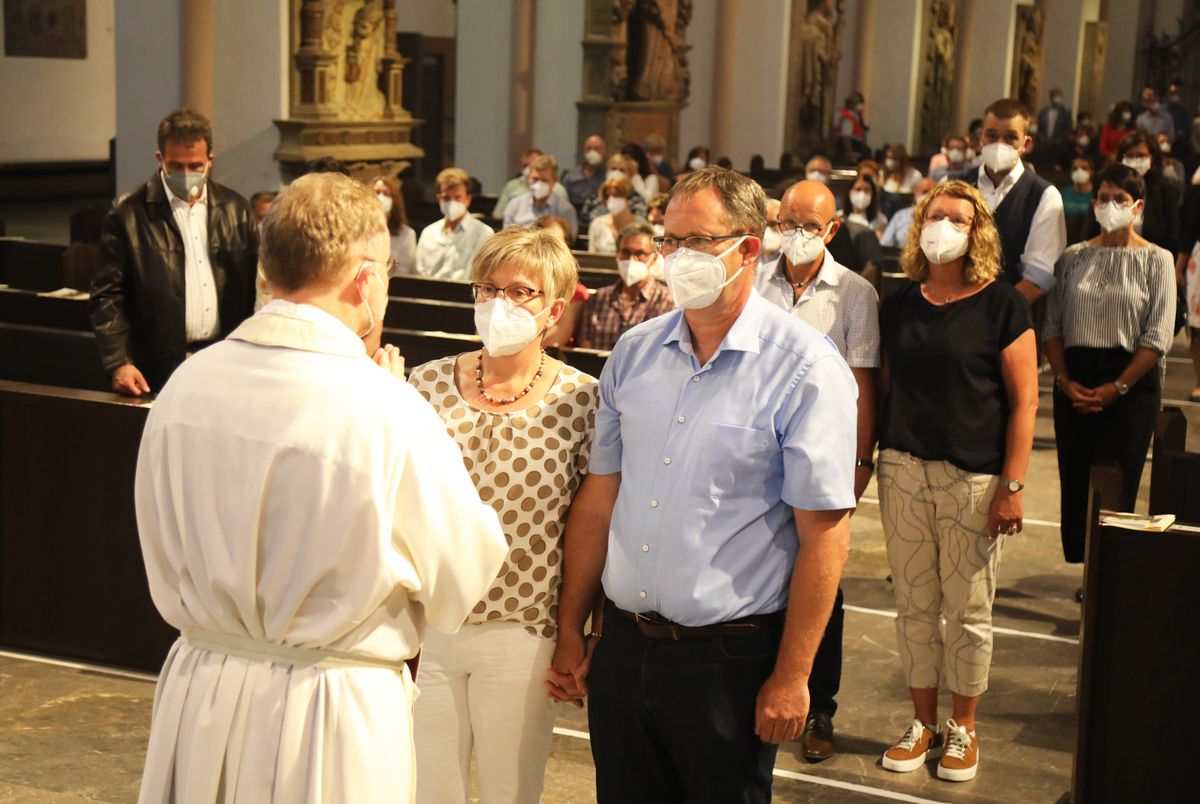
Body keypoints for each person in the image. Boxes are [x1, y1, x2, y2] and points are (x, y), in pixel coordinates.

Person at [133, 171, 508, 803]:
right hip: (328, 707)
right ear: (366, 280)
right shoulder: (384, 407)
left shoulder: (186, 384)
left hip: (202, 686)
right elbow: (463, 574)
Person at [549, 166, 858, 803]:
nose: (675, 258)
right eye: (669, 242)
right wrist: (570, 627)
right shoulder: (634, 353)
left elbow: (824, 537)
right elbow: (600, 498)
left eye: (697, 242)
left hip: (729, 661)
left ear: (749, 249)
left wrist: (794, 675)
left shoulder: (806, 369)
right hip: (625, 646)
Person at [410, 226, 598, 804]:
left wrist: (575, 633)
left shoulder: (582, 399)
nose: (501, 305)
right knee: (425, 788)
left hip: (522, 627)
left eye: (522, 293)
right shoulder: (427, 382)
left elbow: (588, 530)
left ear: (555, 309)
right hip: (430, 625)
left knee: (509, 791)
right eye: (489, 289)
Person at [877, 180, 1038, 783]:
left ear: (979, 233)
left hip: (973, 478)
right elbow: (885, 385)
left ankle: (964, 728)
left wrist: (1013, 485)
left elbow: (1025, 402)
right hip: (903, 469)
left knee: (967, 611)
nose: (944, 227)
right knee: (914, 607)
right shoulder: (897, 304)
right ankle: (923, 723)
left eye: (958, 219)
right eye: (934, 216)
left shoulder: (1003, 305)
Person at [755, 179, 880, 761]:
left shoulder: (854, 293)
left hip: (821, 454)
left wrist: (858, 462)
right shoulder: (754, 281)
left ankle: (819, 708)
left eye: (809, 226)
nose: (796, 235)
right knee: (758, 570)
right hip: (755, 452)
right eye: (788, 223)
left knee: (824, 578)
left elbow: (862, 384)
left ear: (832, 231)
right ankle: (758, 688)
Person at [1045, 163, 1176, 572]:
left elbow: (1157, 336)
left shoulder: (1158, 260)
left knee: (1117, 482)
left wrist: (1116, 387)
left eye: (1119, 200)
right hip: (1075, 379)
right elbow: (1052, 326)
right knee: (1078, 481)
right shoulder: (1072, 258)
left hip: (1130, 383)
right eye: (1103, 198)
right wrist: (1065, 381)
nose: (1109, 206)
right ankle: (1086, 566)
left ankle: (1109, 575)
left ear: (1137, 206)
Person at [90, 108, 258, 396]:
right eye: (176, 165)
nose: (186, 174)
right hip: (156, 365)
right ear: (160, 160)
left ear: (210, 161)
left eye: (195, 166)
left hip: (225, 358)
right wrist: (118, 361)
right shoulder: (127, 213)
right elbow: (107, 295)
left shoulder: (236, 208)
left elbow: (255, 285)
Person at [960, 98, 1066, 305]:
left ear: (1025, 144)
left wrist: (987, 312)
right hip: (951, 306)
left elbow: (1038, 278)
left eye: (1010, 138)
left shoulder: (1045, 196)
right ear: (981, 137)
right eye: (992, 135)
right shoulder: (954, 184)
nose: (1000, 144)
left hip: (1007, 315)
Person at [576, 221, 673, 350]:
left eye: (640, 254)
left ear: (654, 258)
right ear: (617, 255)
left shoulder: (666, 300)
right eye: (625, 252)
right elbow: (585, 346)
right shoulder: (599, 298)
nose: (632, 259)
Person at [1103, 130, 1182, 255]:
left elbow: (1173, 237)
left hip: (1151, 262)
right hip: (1108, 259)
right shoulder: (1107, 187)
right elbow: (1092, 229)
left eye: (1140, 156)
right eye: (1130, 155)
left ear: (1152, 157)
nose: (1135, 160)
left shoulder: (1166, 190)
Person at [415, 167, 494, 281]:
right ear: (439, 199)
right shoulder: (428, 233)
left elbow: (483, 276)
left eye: (457, 197)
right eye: (446, 198)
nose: (452, 203)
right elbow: (418, 272)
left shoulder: (483, 233)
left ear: (468, 199)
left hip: (464, 296)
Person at [503, 154, 579, 238]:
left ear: (555, 181)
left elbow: (569, 242)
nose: (539, 184)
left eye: (544, 180)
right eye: (535, 179)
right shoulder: (515, 205)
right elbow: (506, 238)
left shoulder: (566, 210)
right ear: (528, 178)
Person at [492, 148, 568, 221]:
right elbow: (499, 216)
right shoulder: (514, 197)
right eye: (525, 166)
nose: (527, 168)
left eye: (544, 180)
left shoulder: (560, 193)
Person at [371, 175, 416, 275]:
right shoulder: (359, 231)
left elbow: (405, 270)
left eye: (386, 194)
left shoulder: (407, 234)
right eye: (377, 193)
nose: (381, 197)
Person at [881, 178, 936, 248]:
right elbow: (885, 244)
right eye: (925, 192)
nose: (928, 197)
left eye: (932, 193)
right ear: (916, 193)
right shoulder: (900, 216)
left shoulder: (941, 218)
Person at [562, 135, 608, 214]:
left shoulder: (608, 176)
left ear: (604, 151)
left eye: (596, 149)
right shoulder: (571, 175)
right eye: (589, 148)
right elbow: (563, 202)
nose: (592, 152)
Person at [835, 90, 870, 162]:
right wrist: (849, 152)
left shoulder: (856, 116)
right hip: (850, 153)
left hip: (856, 150)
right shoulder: (848, 118)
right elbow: (846, 137)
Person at [760, 198, 783, 264]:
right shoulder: (749, 258)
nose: (767, 231)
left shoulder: (791, 260)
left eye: (773, 224)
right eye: (763, 225)